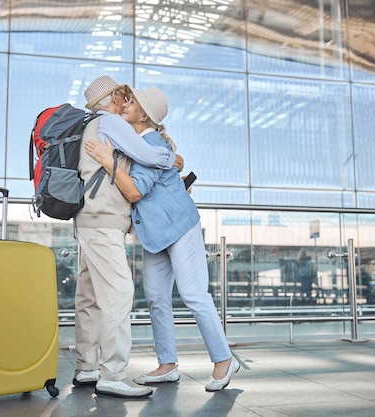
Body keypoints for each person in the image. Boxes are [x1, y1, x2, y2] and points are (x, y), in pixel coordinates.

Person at [85, 86, 239, 392]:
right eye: (126, 99)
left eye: (132, 101)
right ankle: (167, 364)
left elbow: (134, 191)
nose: (126, 104)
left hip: (179, 226)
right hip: (155, 235)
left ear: (145, 114)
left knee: (194, 294)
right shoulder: (135, 143)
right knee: (156, 299)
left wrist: (107, 160)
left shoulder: (150, 141)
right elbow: (164, 167)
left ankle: (224, 359)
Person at [72, 75, 183, 399]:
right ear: (113, 97)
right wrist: (172, 159)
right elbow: (149, 155)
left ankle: (87, 367)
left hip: (88, 220)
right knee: (119, 293)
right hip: (103, 223)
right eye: (123, 96)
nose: (125, 102)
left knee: (89, 299)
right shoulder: (109, 122)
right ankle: (113, 374)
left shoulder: (91, 123)